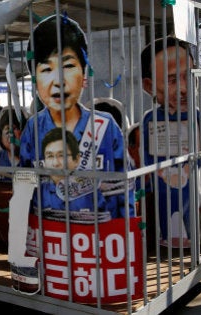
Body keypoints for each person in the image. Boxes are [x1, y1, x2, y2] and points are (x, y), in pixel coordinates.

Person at [19, 14, 134, 218]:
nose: (58, 81)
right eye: (46, 69)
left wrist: (126, 234)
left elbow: (126, 190)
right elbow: (24, 187)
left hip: (99, 242)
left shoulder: (105, 127)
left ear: (85, 72)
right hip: (49, 241)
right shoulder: (32, 128)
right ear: (35, 81)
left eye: (69, 66)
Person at [140, 37, 201, 246]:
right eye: (171, 80)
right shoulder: (150, 118)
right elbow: (146, 153)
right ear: (149, 86)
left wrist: (192, 166)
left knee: (191, 210)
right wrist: (156, 171)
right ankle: (164, 239)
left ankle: (193, 240)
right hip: (161, 182)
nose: (183, 88)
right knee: (164, 210)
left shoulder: (195, 115)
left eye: (187, 77)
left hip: (189, 179)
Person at [35, 128, 110, 220]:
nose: (55, 163)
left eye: (62, 155)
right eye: (49, 156)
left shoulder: (91, 192)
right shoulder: (38, 193)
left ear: (76, 159)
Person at [0, 107, 25, 181]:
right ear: (1, 137)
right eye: (7, 130)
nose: (11, 134)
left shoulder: (30, 157)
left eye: (15, 128)